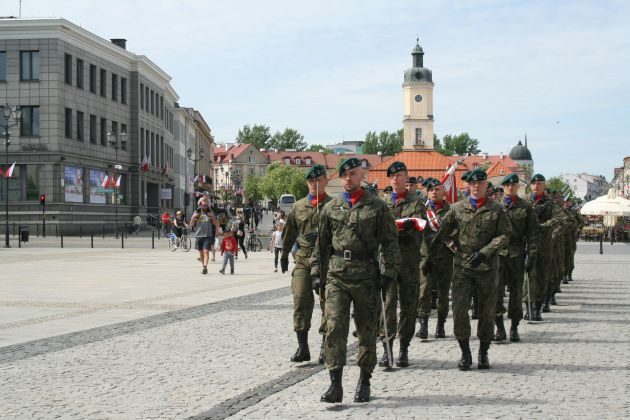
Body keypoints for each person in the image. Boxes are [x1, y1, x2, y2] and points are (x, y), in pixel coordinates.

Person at [312, 157, 401, 403]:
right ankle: (335, 384)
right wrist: (316, 273)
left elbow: (390, 242)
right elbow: (321, 245)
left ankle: (364, 381)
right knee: (334, 328)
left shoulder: (377, 206)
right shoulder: (331, 208)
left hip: (366, 275)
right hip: (337, 274)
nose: (348, 178)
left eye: (353, 174)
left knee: (366, 330)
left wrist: (390, 273)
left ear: (362, 175)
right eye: (344, 175)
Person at [422, 169, 510, 371]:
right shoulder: (456, 209)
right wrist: (429, 259)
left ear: (486, 185)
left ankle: (483, 351)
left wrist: (485, 252)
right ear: (468, 186)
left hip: (487, 268)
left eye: (480, 183)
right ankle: (465, 352)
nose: (476, 187)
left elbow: (504, 235)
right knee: (460, 311)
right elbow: (441, 234)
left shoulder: (496, 210)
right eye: (473, 184)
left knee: (487, 312)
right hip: (462, 268)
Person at [280, 164, 332, 364]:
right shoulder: (299, 206)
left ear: (325, 181)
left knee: (327, 304)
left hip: (326, 262)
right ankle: (303, 347)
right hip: (303, 260)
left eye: (318, 180)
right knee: (301, 300)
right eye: (311, 181)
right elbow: (289, 232)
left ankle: (325, 346)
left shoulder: (333, 206)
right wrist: (284, 255)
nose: (314, 184)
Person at [379, 161, 425, 368]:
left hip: (409, 262)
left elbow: (419, 225)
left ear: (406, 178)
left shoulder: (417, 203)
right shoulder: (382, 204)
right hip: (388, 263)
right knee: (387, 307)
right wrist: (400, 226)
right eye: (393, 176)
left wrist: (402, 226)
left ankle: (404, 347)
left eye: (400, 176)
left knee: (408, 307)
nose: (396, 179)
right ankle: (387, 349)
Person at [493, 174, 538, 343]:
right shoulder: (495, 207)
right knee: (496, 293)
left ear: (517, 187)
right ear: (503, 187)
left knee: (516, 293)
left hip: (517, 254)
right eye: (507, 186)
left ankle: (514, 327)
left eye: (513, 185)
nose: (510, 188)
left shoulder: (525, 207)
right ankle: (499, 327)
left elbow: (533, 233)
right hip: (497, 255)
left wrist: (531, 255)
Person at [417, 177, 453, 340]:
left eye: (437, 189)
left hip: (444, 257)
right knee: (424, 292)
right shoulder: (422, 211)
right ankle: (423, 325)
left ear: (443, 191)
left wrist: (442, 238)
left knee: (443, 294)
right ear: (427, 192)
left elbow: (456, 231)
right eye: (431, 190)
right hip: (425, 257)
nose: (434, 192)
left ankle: (440, 325)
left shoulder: (451, 210)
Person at [524, 174, 555, 321]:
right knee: (528, 277)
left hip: (544, 244)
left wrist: (542, 226)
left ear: (544, 185)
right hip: (528, 244)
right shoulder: (524, 202)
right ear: (530, 185)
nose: (537, 186)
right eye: (534, 183)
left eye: (540, 183)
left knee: (542, 276)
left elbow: (559, 219)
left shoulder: (550, 203)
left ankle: (538, 306)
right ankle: (529, 306)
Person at [190, 197, 220, 274]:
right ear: (200, 205)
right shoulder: (196, 213)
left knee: (206, 251)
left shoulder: (210, 212)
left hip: (208, 235)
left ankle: (205, 267)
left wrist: (212, 217)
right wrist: (193, 218)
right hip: (199, 235)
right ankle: (203, 265)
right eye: (203, 205)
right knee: (201, 253)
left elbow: (216, 223)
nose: (205, 207)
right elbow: (191, 225)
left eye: (206, 205)